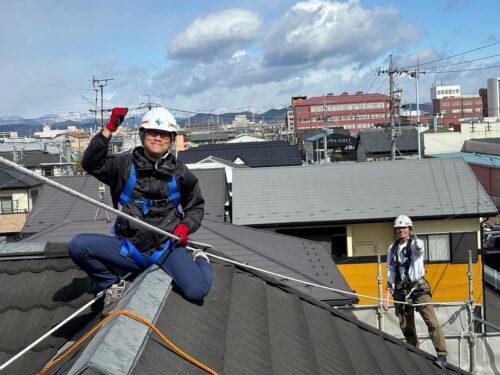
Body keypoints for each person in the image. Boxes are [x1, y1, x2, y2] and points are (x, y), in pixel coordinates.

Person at [68, 106, 212, 306]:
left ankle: (200, 257)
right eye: (153, 133)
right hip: (129, 248)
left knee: (197, 291)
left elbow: (195, 207)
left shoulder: (179, 173)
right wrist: (110, 127)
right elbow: (91, 163)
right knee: (78, 246)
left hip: (166, 248)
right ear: (143, 135)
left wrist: (185, 227)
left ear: (170, 140)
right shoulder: (123, 166)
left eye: (164, 135)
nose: (158, 138)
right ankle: (113, 285)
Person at [386, 215, 448, 369]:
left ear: (409, 229)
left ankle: (442, 355)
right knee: (406, 326)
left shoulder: (415, 244)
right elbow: (390, 268)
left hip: (418, 289)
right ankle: (414, 351)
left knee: (431, 322)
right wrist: (391, 285)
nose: (401, 230)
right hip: (401, 290)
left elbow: (419, 249)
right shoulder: (392, 248)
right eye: (399, 228)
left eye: (404, 228)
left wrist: (417, 242)